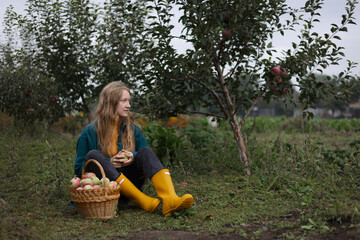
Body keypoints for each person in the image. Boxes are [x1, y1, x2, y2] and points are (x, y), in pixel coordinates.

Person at [74, 81, 194, 217]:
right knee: (93, 155)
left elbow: (146, 159)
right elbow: (79, 169)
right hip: (105, 189)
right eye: (124, 101)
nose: (128, 105)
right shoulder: (89, 132)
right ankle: (142, 200)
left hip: (131, 183)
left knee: (146, 151)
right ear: (111, 103)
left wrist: (133, 156)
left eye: (128, 101)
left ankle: (170, 199)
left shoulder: (133, 129)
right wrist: (107, 163)